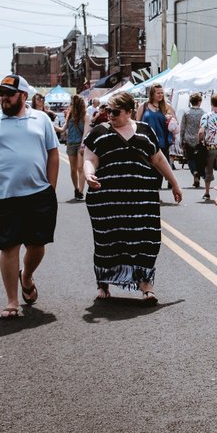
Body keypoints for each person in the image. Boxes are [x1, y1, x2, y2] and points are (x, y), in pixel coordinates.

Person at [0, 75, 60, 320]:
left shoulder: (41, 120)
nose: (4, 98)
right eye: (1, 94)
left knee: (37, 246)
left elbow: (53, 154)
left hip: (38, 194)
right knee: (9, 247)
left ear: (24, 96)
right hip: (3, 197)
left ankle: (26, 276)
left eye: (9, 93)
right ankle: (12, 300)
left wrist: (51, 188)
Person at [83, 92, 182, 302]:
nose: (110, 115)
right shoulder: (99, 132)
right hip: (108, 200)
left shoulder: (145, 131)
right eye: (107, 110)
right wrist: (88, 172)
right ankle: (104, 283)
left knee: (147, 238)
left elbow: (158, 158)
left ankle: (146, 284)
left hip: (142, 199)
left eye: (115, 112)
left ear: (129, 112)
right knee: (108, 241)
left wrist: (174, 183)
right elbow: (90, 158)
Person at [141, 84, 176, 186]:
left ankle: (156, 191)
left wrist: (170, 119)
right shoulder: (144, 106)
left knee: (159, 169)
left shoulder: (167, 107)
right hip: (146, 143)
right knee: (148, 168)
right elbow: (137, 122)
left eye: (162, 93)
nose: (161, 95)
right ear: (152, 94)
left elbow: (174, 124)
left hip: (162, 143)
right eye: (158, 93)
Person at [199, 93, 217, 201]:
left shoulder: (206, 116)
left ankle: (207, 192)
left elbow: (201, 131)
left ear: (211, 103)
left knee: (209, 169)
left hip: (211, 146)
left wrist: (201, 141)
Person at [63, 94, 88, 202]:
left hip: (80, 144)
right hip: (71, 144)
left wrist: (83, 145)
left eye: (72, 103)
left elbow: (86, 132)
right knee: (73, 169)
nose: (71, 105)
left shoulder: (85, 116)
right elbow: (63, 129)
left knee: (80, 168)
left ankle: (81, 191)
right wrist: (50, 125)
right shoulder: (69, 115)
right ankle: (76, 189)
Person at [179, 92, 206, 189]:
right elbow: (204, 127)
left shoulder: (186, 113)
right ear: (199, 102)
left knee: (190, 158)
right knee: (199, 159)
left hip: (188, 138)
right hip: (199, 139)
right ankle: (198, 173)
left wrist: (181, 139)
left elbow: (182, 127)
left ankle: (194, 172)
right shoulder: (203, 113)